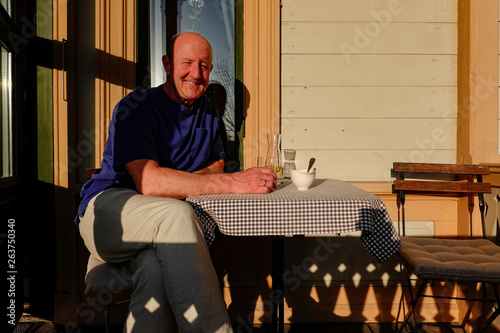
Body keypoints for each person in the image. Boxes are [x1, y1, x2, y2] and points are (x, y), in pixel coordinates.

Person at [76, 32, 277, 332]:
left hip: (157, 234)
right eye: (187, 63)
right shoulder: (138, 106)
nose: (196, 74)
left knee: (156, 273)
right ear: (167, 64)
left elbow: (216, 164)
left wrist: (185, 182)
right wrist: (229, 183)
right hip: (108, 213)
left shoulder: (208, 113)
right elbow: (150, 182)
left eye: (205, 66)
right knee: (177, 214)